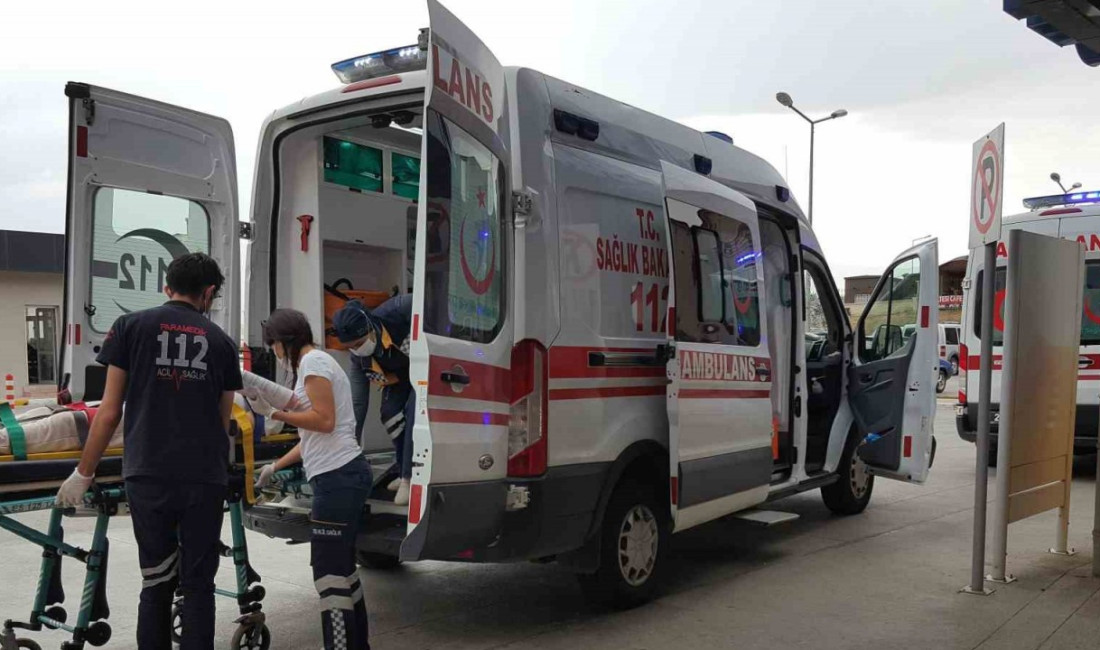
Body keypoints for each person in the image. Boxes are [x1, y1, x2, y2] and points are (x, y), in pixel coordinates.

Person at [56, 253, 242, 650]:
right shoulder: (223, 344)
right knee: (197, 586)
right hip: (203, 477)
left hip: (148, 472)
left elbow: (108, 413)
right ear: (208, 292)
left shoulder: (129, 327)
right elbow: (222, 420)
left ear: (166, 287)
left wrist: (83, 472)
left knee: (156, 580)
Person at [249, 309, 371, 650]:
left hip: (338, 477)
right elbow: (311, 437)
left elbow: (324, 421)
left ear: (283, 342)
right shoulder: (315, 364)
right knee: (343, 570)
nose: (272, 350)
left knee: (328, 573)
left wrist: (274, 414)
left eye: (272, 343)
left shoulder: (314, 364)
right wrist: (274, 466)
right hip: (341, 473)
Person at [332, 293, 414, 505]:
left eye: (359, 343)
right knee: (390, 413)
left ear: (369, 326)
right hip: (400, 375)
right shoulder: (359, 359)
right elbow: (357, 406)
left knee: (415, 413)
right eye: (351, 346)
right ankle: (402, 467)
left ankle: (409, 477)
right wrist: (350, 450)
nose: (357, 349)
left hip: (424, 365)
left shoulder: (398, 311)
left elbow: (430, 299)